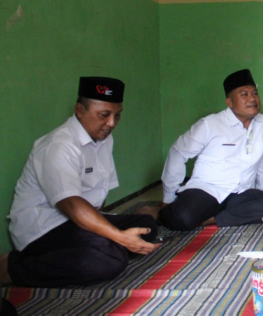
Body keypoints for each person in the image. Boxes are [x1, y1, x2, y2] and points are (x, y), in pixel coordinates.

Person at [0, 77, 160, 288]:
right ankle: (11, 268)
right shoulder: (59, 145)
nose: (111, 123)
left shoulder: (104, 139)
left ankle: (101, 247)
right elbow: (72, 205)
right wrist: (119, 238)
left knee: (146, 227)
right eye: (104, 115)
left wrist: (106, 232)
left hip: (78, 223)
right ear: (79, 110)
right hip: (45, 228)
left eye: (117, 115)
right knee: (110, 259)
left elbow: (99, 196)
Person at [137, 69, 263, 231]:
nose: (252, 99)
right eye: (244, 94)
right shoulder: (210, 124)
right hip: (207, 190)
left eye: (255, 93)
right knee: (181, 218)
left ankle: (208, 219)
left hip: (242, 192)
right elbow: (177, 153)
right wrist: (168, 199)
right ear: (230, 102)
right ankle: (162, 212)